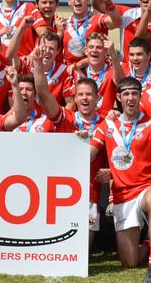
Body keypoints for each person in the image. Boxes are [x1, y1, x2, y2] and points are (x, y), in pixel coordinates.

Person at [89, 77, 151, 283]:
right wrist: (78, 140)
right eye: (126, 93)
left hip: (146, 189)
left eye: (134, 93)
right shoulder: (107, 125)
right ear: (118, 97)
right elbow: (89, 154)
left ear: (140, 96)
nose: (130, 97)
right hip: (122, 195)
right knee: (129, 261)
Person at [30, 45, 106, 246]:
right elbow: (43, 94)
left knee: (82, 252)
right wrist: (38, 65)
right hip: (58, 191)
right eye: (80, 94)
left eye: (89, 94)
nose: (84, 98)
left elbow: (89, 156)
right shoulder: (65, 115)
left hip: (89, 193)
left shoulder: (105, 123)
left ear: (97, 99)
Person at [62, 0, 122, 66]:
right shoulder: (63, 24)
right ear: (69, 2)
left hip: (97, 73)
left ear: (88, 1)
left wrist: (107, 0)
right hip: (72, 74)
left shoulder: (98, 19)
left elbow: (117, 22)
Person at [77, 33, 125, 117]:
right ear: (86, 51)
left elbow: (122, 84)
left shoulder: (112, 71)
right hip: (82, 122)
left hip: (104, 122)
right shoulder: (78, 73)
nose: (94, 50)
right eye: (91, 47)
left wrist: (113, 54)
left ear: (106, 52)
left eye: (99, 47)